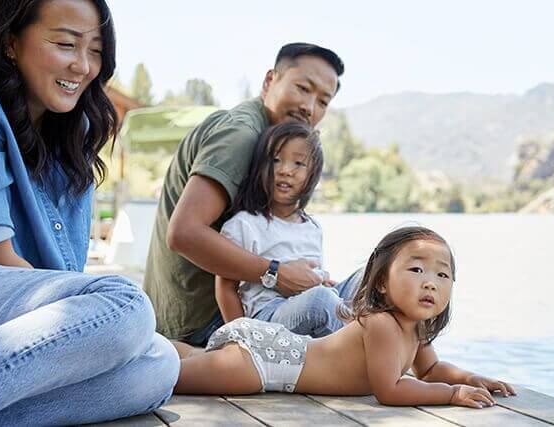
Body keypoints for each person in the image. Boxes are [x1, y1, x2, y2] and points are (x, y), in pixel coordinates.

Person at [0, 1, 179, 424]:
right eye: (65, 44)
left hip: (16, 326)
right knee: (127, 304)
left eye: (95, 51)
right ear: (10, 44)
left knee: (161, 362)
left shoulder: (73, 136)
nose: (83, 66)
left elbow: (62, 282)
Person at [172, 226, 517, 407]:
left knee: (193, 360)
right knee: (170, 377)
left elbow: (429, 371)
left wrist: (471, 379)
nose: (430, 283)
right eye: (416, 269)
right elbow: (390, 390)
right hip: (267, 363)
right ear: (381, 282)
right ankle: (150, 351)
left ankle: (170, 346)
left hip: (275, 356)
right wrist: (451, 394)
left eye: (443, 275)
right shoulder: (381, 324)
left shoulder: (416, 329)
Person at [143, 43, 345, 346]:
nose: (310, 107)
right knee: (333, 311)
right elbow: (183, 233)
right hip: (204, 321)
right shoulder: (242, 135)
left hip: (251, 304)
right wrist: (277, 274)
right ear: (269, 81)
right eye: (303, 88)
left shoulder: (272, 141)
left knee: (371, 285)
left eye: (323, 101)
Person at [216, 121, 359, 337]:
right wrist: (242, 338)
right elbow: (225, 288)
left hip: (315, 303)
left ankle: (359, 334)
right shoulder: (244, 224)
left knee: (374, 276)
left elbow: (314, 278)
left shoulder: (312, 227)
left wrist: (323, 280)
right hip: (269, 317)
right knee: (321, 300)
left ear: (313, 175)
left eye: (298, 163)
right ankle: (357, 340)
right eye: (275, 160)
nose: (285, 170)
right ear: (260, 167)